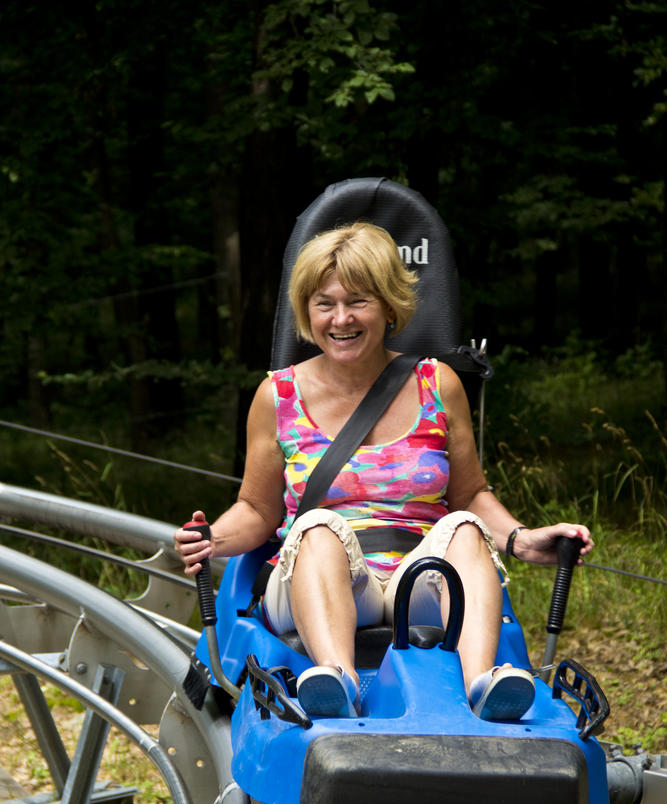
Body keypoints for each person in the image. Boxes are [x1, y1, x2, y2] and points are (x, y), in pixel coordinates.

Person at [174, 222, 592, 720]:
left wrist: (523, 541)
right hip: (318, 574)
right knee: (317, 526)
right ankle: (336, 679)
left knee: (463, 528)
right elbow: (257, 509)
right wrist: (212, 540)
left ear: (389, 306)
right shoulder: (277, 396)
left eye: (358, 301)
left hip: (417, 575)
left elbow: (470, 494)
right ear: (307, 312)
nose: (340, 318)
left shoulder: (439, 384)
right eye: (324, 303)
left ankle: (483, 684)